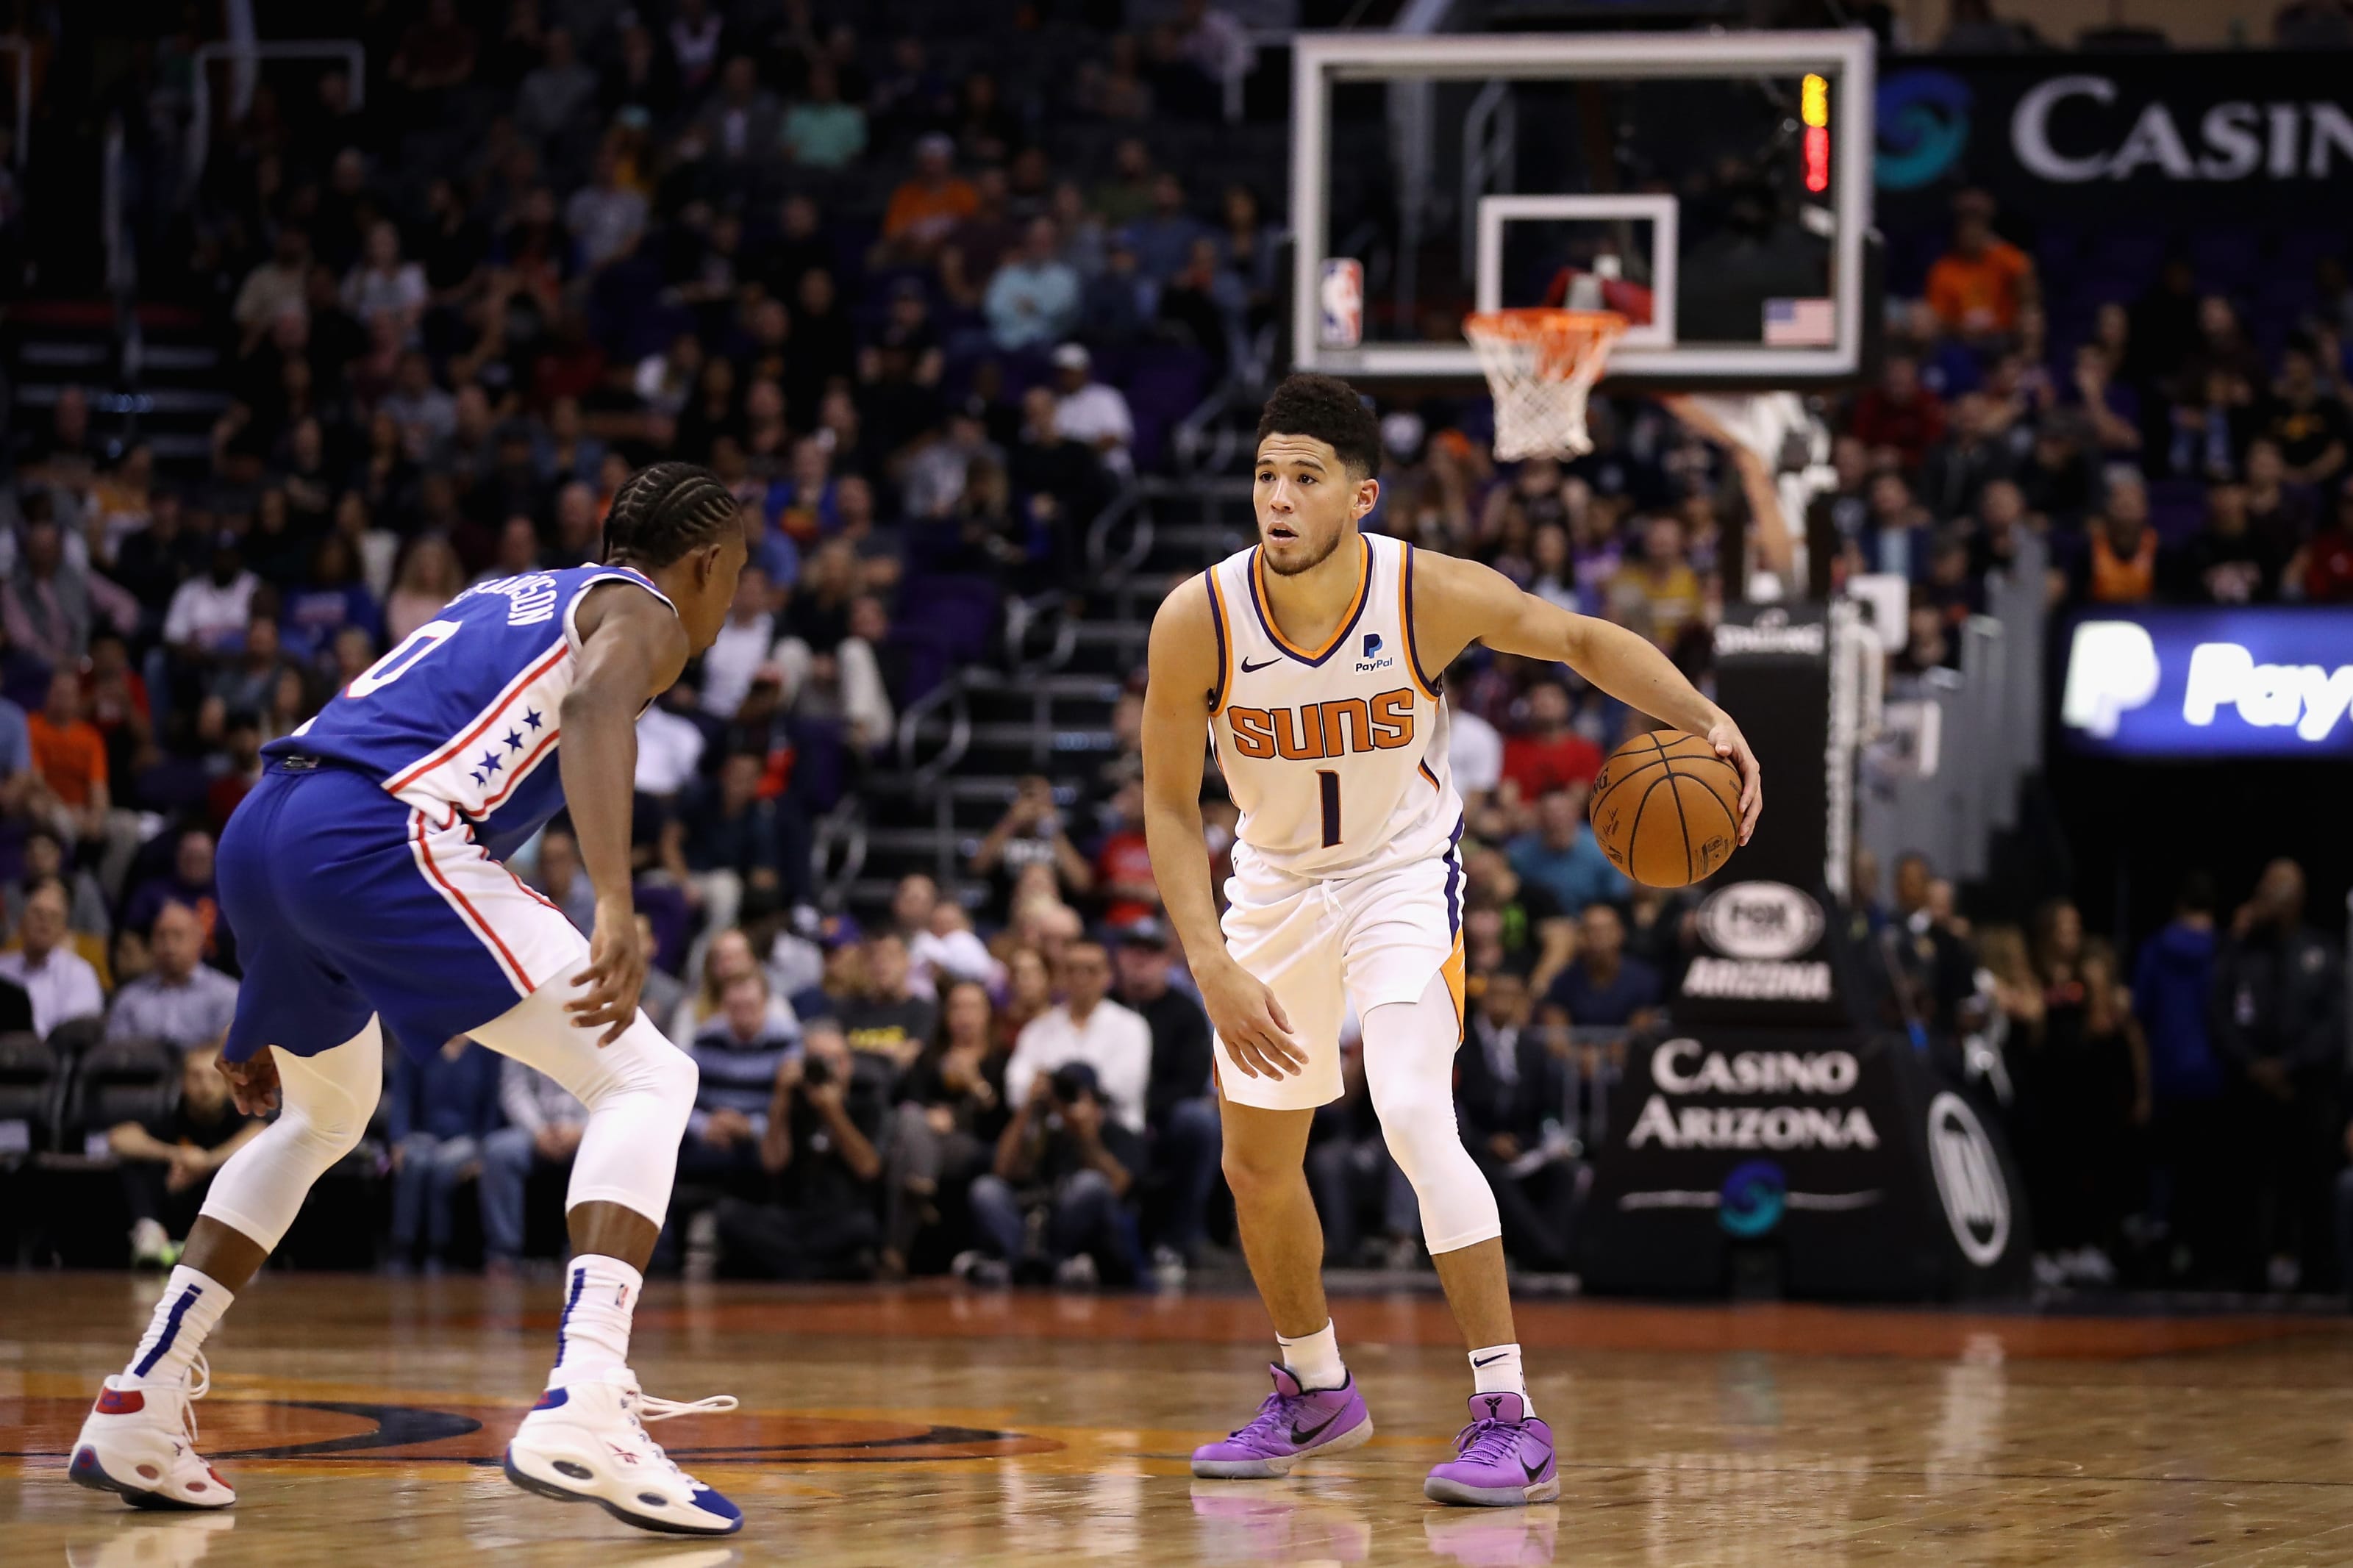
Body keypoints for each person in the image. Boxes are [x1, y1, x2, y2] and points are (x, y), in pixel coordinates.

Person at [65, 463, 750, 1534]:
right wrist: (615, 899)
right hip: (382, 835)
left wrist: (265, 989)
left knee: (321, 1116)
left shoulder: (513, 590)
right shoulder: (647, 611)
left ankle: (141, 1400)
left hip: (270, 823)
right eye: (737, 575)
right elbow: (594, 703)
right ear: (705, 564)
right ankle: (588, 1396)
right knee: (650, 1073)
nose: (729, 601)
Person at [1140, 372, 1758, 1506]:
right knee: (1257, 1165)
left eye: (1305, 478)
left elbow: (1575, 637)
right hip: (1272, 888)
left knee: (1418, 1110)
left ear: (1359, 497)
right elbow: (1172, 808)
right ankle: (1317, 1386)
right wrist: (1211, 963)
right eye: (1266, 475)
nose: (1277, 497)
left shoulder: (1425, 593)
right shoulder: (1199, 617)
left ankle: (1507, 1413)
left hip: (1401, 873)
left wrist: (1703, 717)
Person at [968, 1059, 1146, 1286]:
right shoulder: (1045, 1131)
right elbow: (1001, 1171)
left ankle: (1049, 1264)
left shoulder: (1116, 1132)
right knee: (986, 1189)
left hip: (1081, 1234)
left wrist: (1086, 1137)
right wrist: (1029, 1108)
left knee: (1090, 1184)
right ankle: (1024, 1264)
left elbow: (1119, 1187)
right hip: (1034, 1223)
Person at [109, 1046, 263, 1268]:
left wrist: (207, 1162)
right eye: (196, 1077)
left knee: (252, 1163)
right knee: (134, 1161)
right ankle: (150, 1234)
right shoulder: (170, 1115)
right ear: (182, 1081)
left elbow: (261, 1134)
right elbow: (119, 1138)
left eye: (214, 1077)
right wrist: (177, 1155)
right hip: (175, 1203)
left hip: (222, 1214)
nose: (205, 1086)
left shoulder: (239, 1115)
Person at [386, 1037, 504, 1272]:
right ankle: (403, 1246)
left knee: (443, 1167)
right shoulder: (418, 1044)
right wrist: (398, 1141)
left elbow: (493, 1106)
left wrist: (483, 1152)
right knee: (415, 1162)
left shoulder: (487, 1051)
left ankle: (438, 1250)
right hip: (424, 1135)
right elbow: (402, 1097)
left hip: (467, 1139)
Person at [104, 902, 240, 1053]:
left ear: (199, 940)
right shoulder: (130, 998)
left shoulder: (227, 994)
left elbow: (230, 1056)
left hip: (203, 1073)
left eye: (178, 936)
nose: (169, 945)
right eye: (161, 936)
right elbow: (114, 1054)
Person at [0, 878, 106, 1039]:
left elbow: (76, 1035)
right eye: (37, 913)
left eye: (53, 916)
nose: (44, 921)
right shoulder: (2, 968)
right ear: (22, 920)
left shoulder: (80, 975)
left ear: (63, 929)